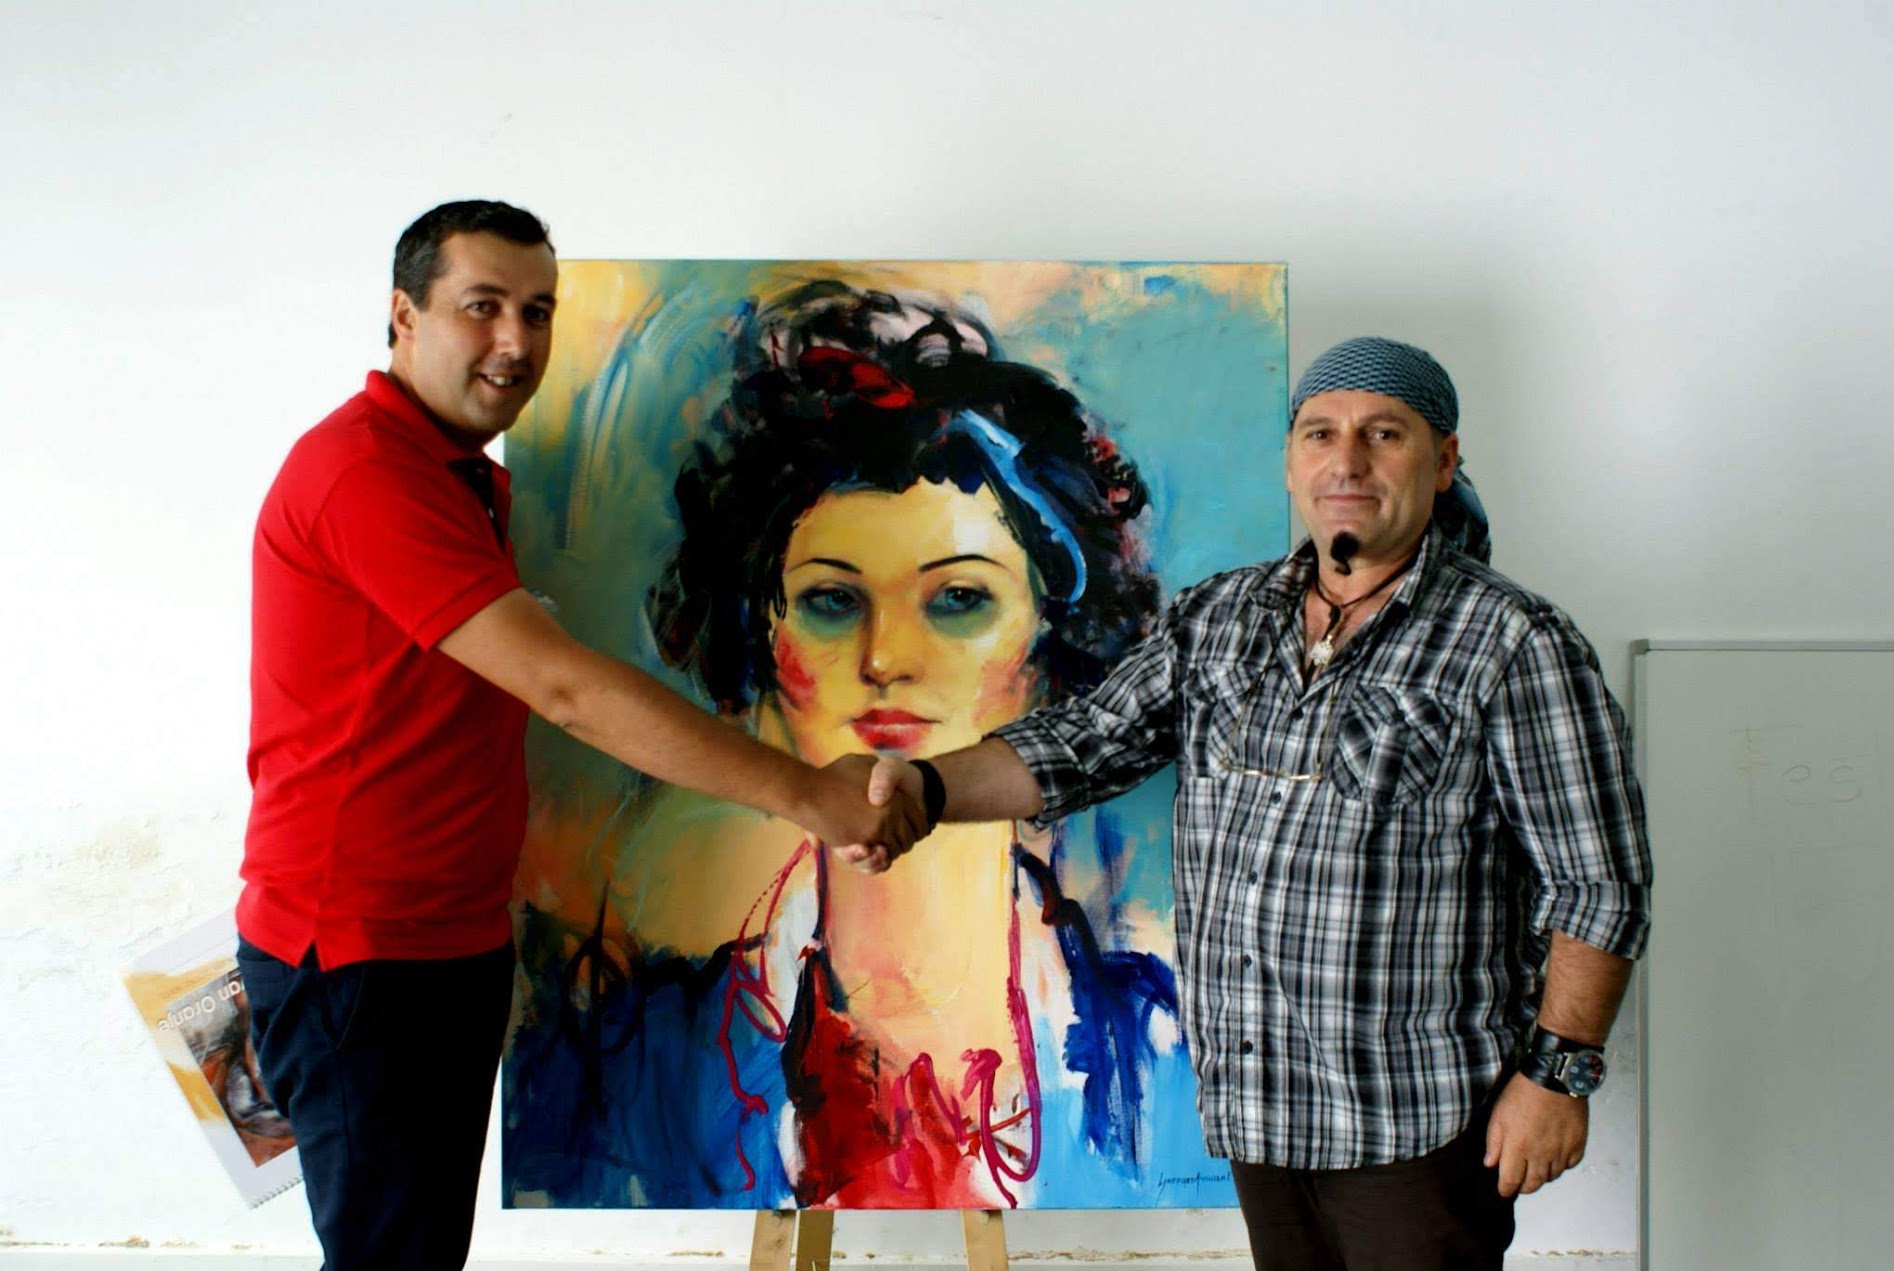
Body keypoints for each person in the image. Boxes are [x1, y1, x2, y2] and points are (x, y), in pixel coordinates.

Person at [842, 336, 1653, 1269]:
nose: (1346, 461)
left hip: (1417, 1121)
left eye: (1383, 434)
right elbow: (1084, 745)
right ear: (1291, 461)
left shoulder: (1514, 642)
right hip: (1261, 1111)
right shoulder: (1218, 618)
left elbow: (1597, 882)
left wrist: (1557, 1076)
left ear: (1443, 460)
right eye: (1320, 433)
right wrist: (923, 786)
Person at [234, 203, 924, 1269]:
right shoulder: (367, 470)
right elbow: (562, 687)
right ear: (404, 315)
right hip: (360, 955)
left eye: (539, 311)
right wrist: (808, 793)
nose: (515, 341)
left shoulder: (462, 475)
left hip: (445, 940)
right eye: (482, 306)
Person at [505, 281, 1195, 1209]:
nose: (885, 660)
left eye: (959, 600)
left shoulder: (1170, 1055)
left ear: (1048, 646)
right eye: (832, 600)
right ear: (761, 642)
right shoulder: (623, 1065)